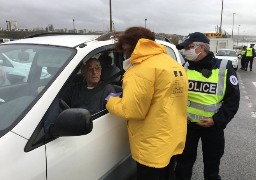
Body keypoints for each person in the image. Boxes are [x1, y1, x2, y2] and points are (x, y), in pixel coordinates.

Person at [105, 26, 188, 180]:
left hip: (153, 145)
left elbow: (131, 110)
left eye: (123, 48)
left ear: (129, 46)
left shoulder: (141, 70)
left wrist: (110, 101)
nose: (123, 53)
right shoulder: (171, 63)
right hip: (173, 137)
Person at [175, 32, 240, 180]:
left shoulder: (224, 68)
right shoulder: (184, 67)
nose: (185, 51)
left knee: (211, 168)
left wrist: (216, 121)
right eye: (184, 48)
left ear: (202, 47)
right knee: (183, 165)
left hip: (212, 127)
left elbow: (233, 100)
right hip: (187, 125)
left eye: (189, 47)